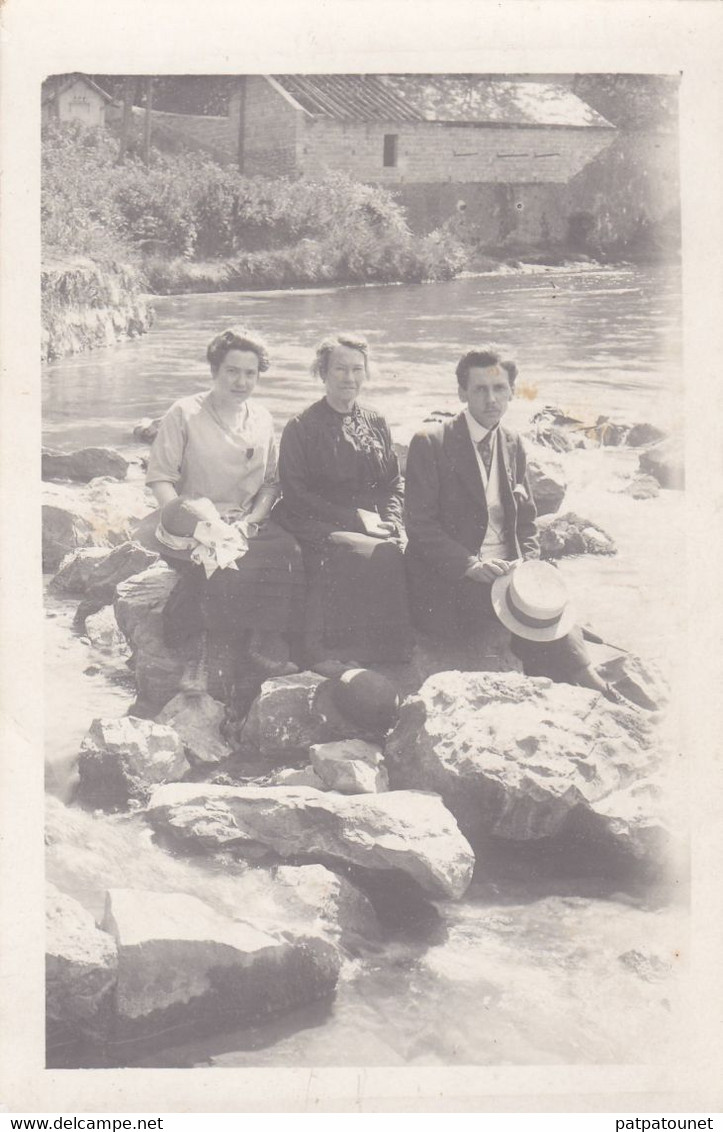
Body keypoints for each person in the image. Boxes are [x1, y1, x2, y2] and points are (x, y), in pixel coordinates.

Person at [404, 346, 627, 698]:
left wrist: (526, 563)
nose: (491, 399)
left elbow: (526, 521)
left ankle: (582, 679)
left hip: (506, 572)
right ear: (462, 393)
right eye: (480, 389)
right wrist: (469, 564)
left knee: (543, 602)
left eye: (499, 389)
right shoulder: (431, 442)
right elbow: (419, 526)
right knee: (534, 617)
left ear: (511, 391)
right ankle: (593, 684)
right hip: (447, 582)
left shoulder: (513, 442)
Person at [141, 327, 304, 691]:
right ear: (215, 370)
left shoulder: (262, 417)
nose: (241, 381)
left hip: (243, 522)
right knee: (219, 559)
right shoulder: (184, 413)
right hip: (191, 522)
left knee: (287, 551)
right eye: (232, 370)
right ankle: (203, 649)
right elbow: (161, 478)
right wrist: (183, 523)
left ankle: (261, 639)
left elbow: (271, 481)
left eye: (250, 372)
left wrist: (252, 519)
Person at [273, 333, 412, 676]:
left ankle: (383, 648)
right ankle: (328, 651)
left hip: (370, 522)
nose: (349, 378)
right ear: (322, 372)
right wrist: (353, 519)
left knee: (400, 547)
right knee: (372, 554)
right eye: (340, 369)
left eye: (357, 369)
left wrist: (393, 519)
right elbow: (295, 493)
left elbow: (394, 482)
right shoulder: (301, 426)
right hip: (315, 520)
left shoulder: (376, 421)